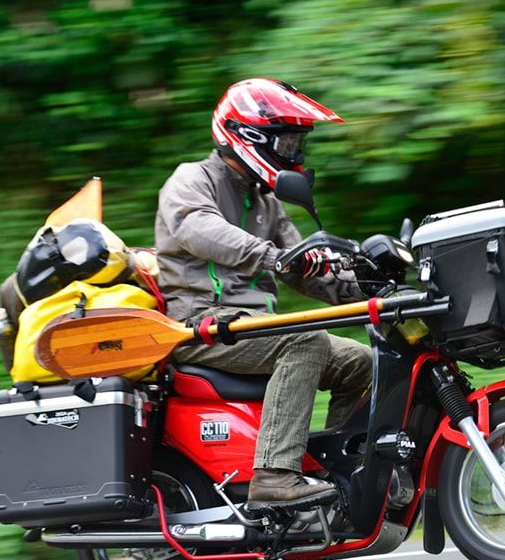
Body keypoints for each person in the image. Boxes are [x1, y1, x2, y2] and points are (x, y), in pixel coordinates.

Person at [154, 78, 372, 509]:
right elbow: (200, 229)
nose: (296, 153)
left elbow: (304, 267)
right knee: (305, 339)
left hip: (250, 329)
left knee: (359, 361)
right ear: (248, 136)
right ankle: (274, 475)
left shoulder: (266, 202)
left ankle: (340, 475)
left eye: (296, 143)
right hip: (203, 325)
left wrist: (372, 288)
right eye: (287, 142)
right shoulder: (191, 180)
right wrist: (272, 256)